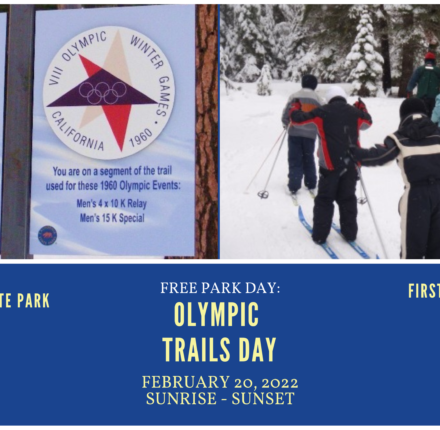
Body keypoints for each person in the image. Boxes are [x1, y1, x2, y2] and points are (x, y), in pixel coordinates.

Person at [350, 98, 440, 259]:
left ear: (403, 116)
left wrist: (355, 154)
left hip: (416, 197)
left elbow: (381, 156)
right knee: (437, 247)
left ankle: (409, 282)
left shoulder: (400, 137)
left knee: (413, 246)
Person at [290, 86, 372, 244]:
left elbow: (297, 120)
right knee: (347, 198)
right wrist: (362, 107)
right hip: (351, 165)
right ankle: (350, 233)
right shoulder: (354, 113)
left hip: (329, 166)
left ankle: (320, 235)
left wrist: (295, 107)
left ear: (329, 98)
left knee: (325, 199)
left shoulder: (322, 112)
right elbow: (368, 121)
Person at [281, 74, 323, 196]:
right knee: (308, 158)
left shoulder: (294, 96)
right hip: (311, 135)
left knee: (295, 158)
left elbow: (286, 114)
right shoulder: (319, 99)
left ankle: (294, 185)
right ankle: (311, 183)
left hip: (294, 132)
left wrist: (286, 124)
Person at [407, 52, 440, 117]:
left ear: (425, 60)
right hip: (434, 98)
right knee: (433, 116)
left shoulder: (420, 69)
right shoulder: (437, 70)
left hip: (421, 97)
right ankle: (432, 126)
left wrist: (409, 90)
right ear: (434, 61)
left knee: (422, 115)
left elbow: (413, 81)